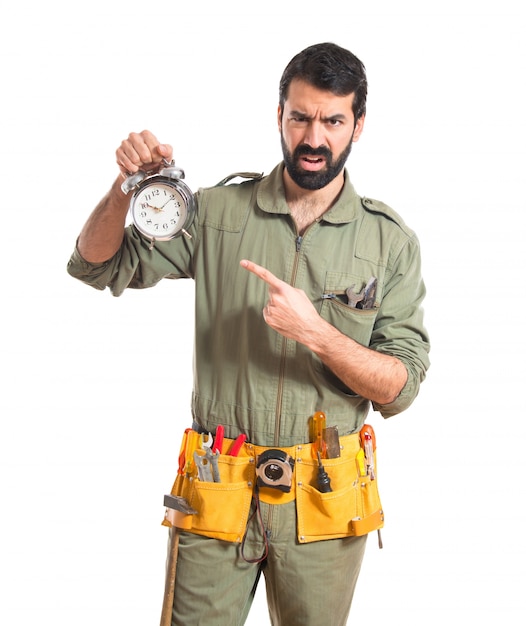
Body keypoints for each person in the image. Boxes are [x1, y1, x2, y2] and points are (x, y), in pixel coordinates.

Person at [67, 42, 430, 626]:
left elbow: (401, 386)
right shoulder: (215, 212)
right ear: (279, 116)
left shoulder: (389, 243)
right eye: (300, 117)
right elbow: (97, 264)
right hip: (217, 490)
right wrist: (125, 189)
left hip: (323, 498)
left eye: (334, 120)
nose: (315, 137)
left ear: (358, 125)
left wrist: (318, 333)